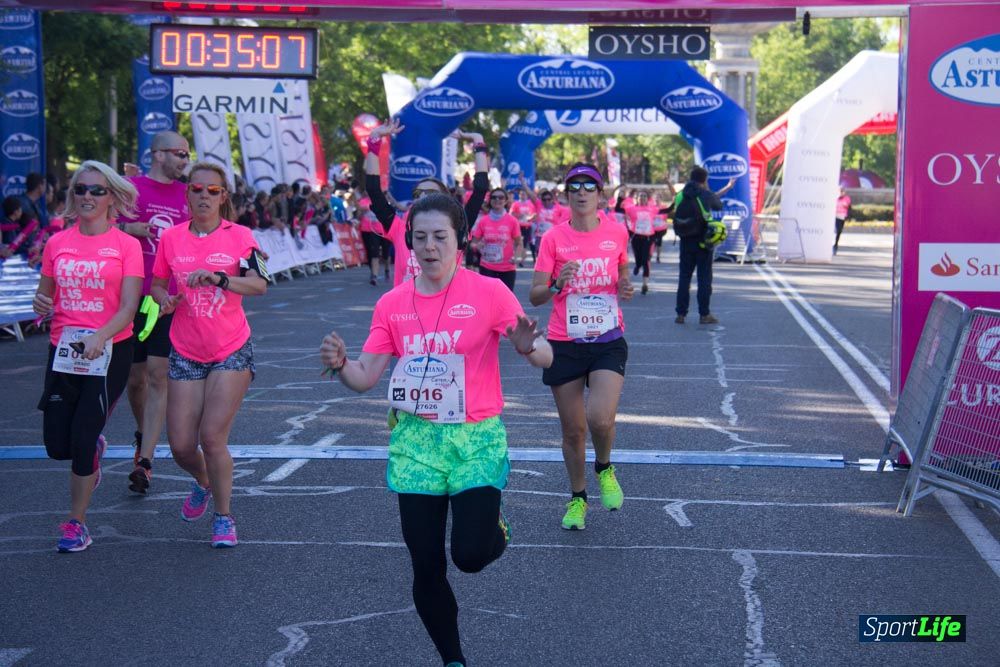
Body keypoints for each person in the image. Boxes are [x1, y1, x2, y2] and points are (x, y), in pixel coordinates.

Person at [319, 193, 552, 666]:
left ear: (460, 240)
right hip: (416, 445)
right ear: (409, 241)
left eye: (440, 237)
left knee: (470, 555)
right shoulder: (392, 304)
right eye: (420, 237)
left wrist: (528, 346)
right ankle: (453, 659)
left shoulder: (489, 293)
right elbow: (365, 376)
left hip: (475, 439)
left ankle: (495, 527)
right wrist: (342, 365)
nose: (429, 247)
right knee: (426, 564)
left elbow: (545, 355)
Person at [150, 162, 268, 548]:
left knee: (212, 436)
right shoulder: (171, 238)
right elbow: (157, 284)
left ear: (223, 197)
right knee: (181, 446)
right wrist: (164, 300)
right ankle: (203, 480)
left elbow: (259, 284)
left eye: (212, 191)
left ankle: (223, 516)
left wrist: (220, 278)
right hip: (186, 349)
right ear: (187, 194)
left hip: (230, 347)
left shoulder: (241, 236)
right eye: (197, 189)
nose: (204, 196)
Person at [32, 161, 143, 552]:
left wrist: (101, 335)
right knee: (57, 446)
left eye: (97, 190)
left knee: (81, 437)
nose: (88, 196)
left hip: (110, 349)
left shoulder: (126, 246)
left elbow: (129, 307)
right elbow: (44, 296)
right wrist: (40, 304)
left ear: (112, 197)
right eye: (81, 189)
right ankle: (93, 451)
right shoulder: (57, 244)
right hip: (64, 351)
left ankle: (76, 523)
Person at [529, 163, 634, 531]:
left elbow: (622, 270)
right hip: (565, 343)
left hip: (607, 339)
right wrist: (557, 283)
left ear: (600, 195)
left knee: (600, 418)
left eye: (590, 186)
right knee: (573, 431)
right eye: (574, 186)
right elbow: (535, 295)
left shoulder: (617, 232)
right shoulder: (553, 239)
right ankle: (578, 498)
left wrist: (624, 284)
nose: (582, 191)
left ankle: (604, 466)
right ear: (566, 195)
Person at [119, 130, 191, 495]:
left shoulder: (187, 195)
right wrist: (126, 228)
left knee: (158, 375)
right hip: (130, 297)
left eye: (187, 155)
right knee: (135, 380)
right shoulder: (130, 190)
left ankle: (145, 462)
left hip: (167, 298)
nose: (184, 160)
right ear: (158, 154)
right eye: (179, 153)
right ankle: (142, 434)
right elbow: (97, 227)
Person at [364, 120, 491, 286]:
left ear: (445, 198)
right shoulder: (398, 227)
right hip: (405, 302)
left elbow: (480, 189)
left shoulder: (458, 225)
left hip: (449, 301)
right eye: (418, 194)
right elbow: (373, 189)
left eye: (430, 192)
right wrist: (374, 138)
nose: (423, 197)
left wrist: (478, 140)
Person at [673, 167, 734, 325]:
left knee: (684, 278)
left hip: (685, 241)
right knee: (704, 279)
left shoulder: (680, 195)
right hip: (703, 242)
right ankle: (704, 314)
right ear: (704, 180)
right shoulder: (705, 194)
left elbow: (675, 210)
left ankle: (681, 314)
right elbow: (718, 205)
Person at [470, 188, 523, 292]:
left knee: (505, 299)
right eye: (494, 197)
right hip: (487, 267)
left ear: (506, 201)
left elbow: (519, 243)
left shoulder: (512, 221)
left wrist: (517, 256)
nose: (497, 200)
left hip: (507, 268)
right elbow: (473, 243)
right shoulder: (483, 221)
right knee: (487, 297)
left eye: (501, 197)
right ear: (490, 201)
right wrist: (476, 246)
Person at [615, 187, 659, 295]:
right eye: (640, 196)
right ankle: (638, 266)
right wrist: (620, 199)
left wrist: (674, 201)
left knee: (646, 260)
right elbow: (618, 209)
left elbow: (666, 210)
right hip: (636, 237)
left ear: (647, 199)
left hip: (648, 237)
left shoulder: (652, 209)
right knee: (639, 259)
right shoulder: (631, 209)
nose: (642, 198)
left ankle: (645, 285)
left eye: (644, 196)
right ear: (637, 198)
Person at [834, 187, 852, 255]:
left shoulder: (847, 199)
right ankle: (834, 245)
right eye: (840, 191)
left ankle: (836, 244)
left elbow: (849, 208)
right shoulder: (835, 198)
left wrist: (849, 217)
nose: (841, 193)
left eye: (842, 191)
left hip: (842, 217)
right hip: (835, 216)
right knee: (837, 230)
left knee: (839, 231)